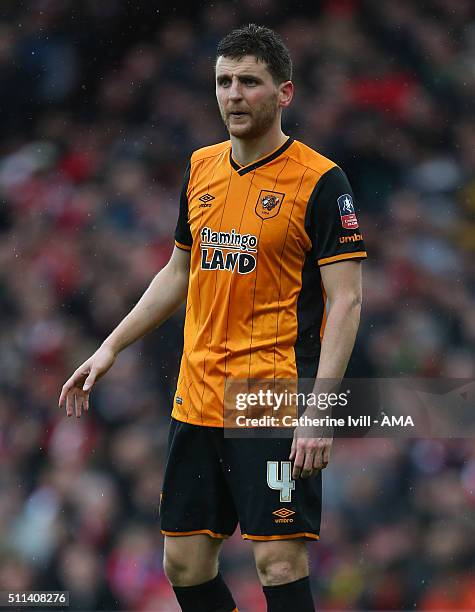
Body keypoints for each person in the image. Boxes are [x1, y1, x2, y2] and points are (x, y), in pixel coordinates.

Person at [59, 23, 366, 612]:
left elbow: (347, 301)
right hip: (197, 391)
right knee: (184, 562)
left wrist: (320, 411)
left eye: (249, 82)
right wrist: (110, 346)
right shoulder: (201, 167)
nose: (233, 95)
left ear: (284, 93)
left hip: (270, 396)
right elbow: (179, 271)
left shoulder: (322, 182)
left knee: (278, 560)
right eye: (224, 82)